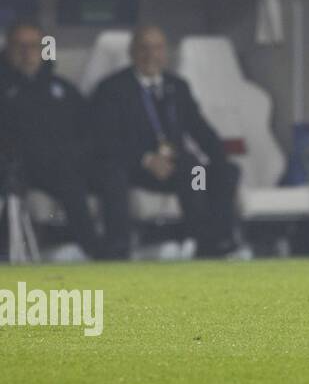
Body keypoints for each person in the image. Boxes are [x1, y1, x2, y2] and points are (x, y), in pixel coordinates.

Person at [93, 25, 243, 259]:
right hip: (134, 168)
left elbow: (199, 129)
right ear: (132, 52)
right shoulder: (112, 89)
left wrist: (220, 159)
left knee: (214, 172)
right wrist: (146, 159)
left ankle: (212, 242)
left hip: (178, 169)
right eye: (144, 48)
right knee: (114, 173)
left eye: (158, 48)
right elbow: (104, 139)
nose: (151, 55)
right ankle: (118, 250)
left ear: (165, 53)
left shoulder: (177, 87)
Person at [0, 22, 100, 259]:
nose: (27, 52)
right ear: (7, 50)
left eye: (33, 45)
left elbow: (91, 131)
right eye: (19, 46)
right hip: (13, 166)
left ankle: (99, 253)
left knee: (98, 171)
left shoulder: (63, 89)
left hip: (62, 167)